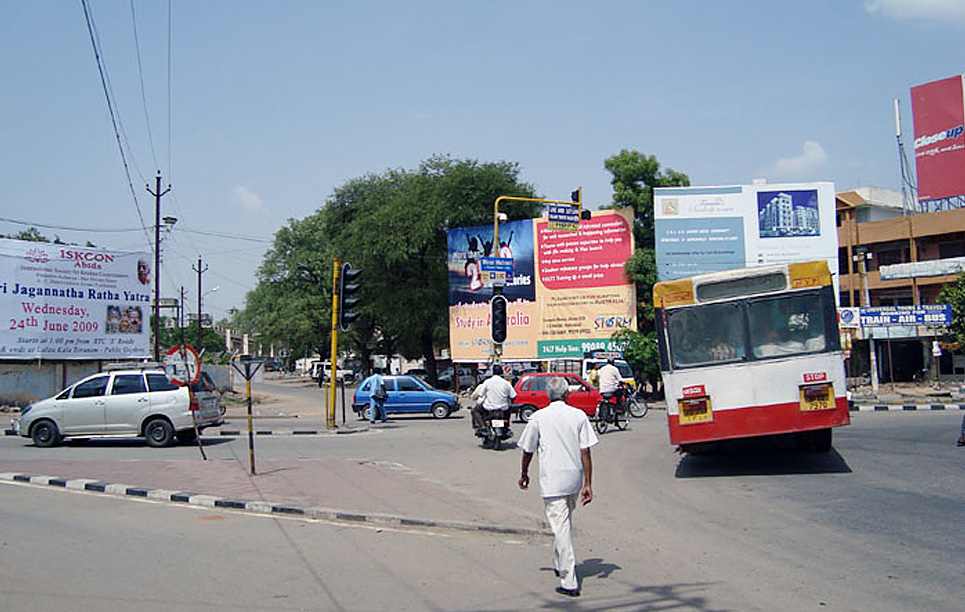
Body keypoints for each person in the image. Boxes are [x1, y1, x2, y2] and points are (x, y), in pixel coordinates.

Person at [518, 376, 598, 597]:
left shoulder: (538, 417)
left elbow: (528, 450)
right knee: (563, 524)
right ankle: (558, 560)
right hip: (574, 479)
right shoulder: (578, 415)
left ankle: (569, 581)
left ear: (546, 395)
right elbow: (586, 451)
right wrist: (588, 483)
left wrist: (524, 474)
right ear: (567, 394)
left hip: (552, 481)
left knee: (561, 527)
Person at [471, 364, 516, 437]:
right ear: (501, 372)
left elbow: (481, 394)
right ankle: (506, 426)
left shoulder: (487, 382)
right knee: (509, 409)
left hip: (489, 408)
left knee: (475, 410)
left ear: (492, 372)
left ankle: (482, 427)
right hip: (503, 408)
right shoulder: (506, 383)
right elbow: (513, 396)